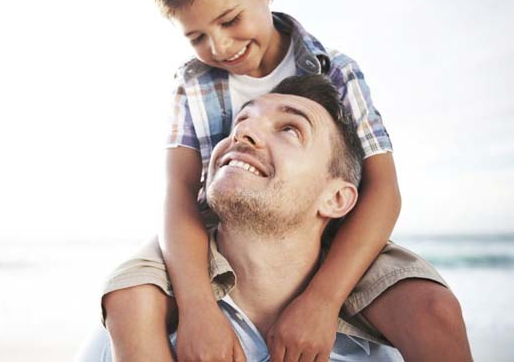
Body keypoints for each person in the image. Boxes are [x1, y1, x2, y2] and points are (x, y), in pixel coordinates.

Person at [99, 0, 471, 361]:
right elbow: (180, 193)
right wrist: (198, 307)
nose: (219, 46)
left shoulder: (336, 70)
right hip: (210, 237)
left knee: (434, 311)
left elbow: (382, 192)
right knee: (128, 300)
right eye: (196, 37)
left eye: (229, 20)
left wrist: (323, 300)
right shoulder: (192, 83)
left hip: (329, 240)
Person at [78, 75, 409, 361]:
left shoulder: (380, 353)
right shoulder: (130, 337)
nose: (242, 135)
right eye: (241, 123)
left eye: (291, 130)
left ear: (336, 199)